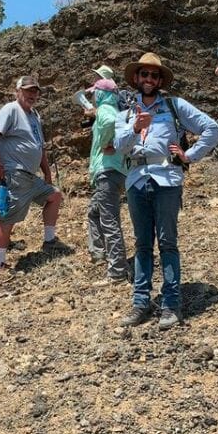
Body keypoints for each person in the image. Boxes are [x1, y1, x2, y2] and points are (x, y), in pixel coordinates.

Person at [113, 53, 218, 330]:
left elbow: (212, 128)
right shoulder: (126, 111)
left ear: (160, 80)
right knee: (142, 244)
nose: (149, 79)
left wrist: (190, 155)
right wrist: (135, 128)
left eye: (154, 75)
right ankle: (140, 303)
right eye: (144, 74)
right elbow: (119, 145)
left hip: (167, 180)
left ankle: (170, 305)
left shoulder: (174, 106)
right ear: (136, 78)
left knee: (168, 242)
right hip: (137, 179)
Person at [0, 76, 64, 271]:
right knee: (8, 217)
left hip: (29, 176)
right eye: (28, 90)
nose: (32, 94)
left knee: (55, 195)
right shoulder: (12, 109)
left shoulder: (34, 115)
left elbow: (39, 147)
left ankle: (49, 240)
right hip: (15, 174)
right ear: (17, 91)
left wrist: (47, 172)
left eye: (35, 91)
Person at [86, 78, 130, 282]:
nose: (92, 96)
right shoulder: (119, 110)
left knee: (109, 220)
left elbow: (107, 123)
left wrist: (105, 142)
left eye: (94, 92)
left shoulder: (105, 109)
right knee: (94, 213)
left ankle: (117, 271)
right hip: (118, 171)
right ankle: (98, 253)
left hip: (107, 171)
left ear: (102, 94)